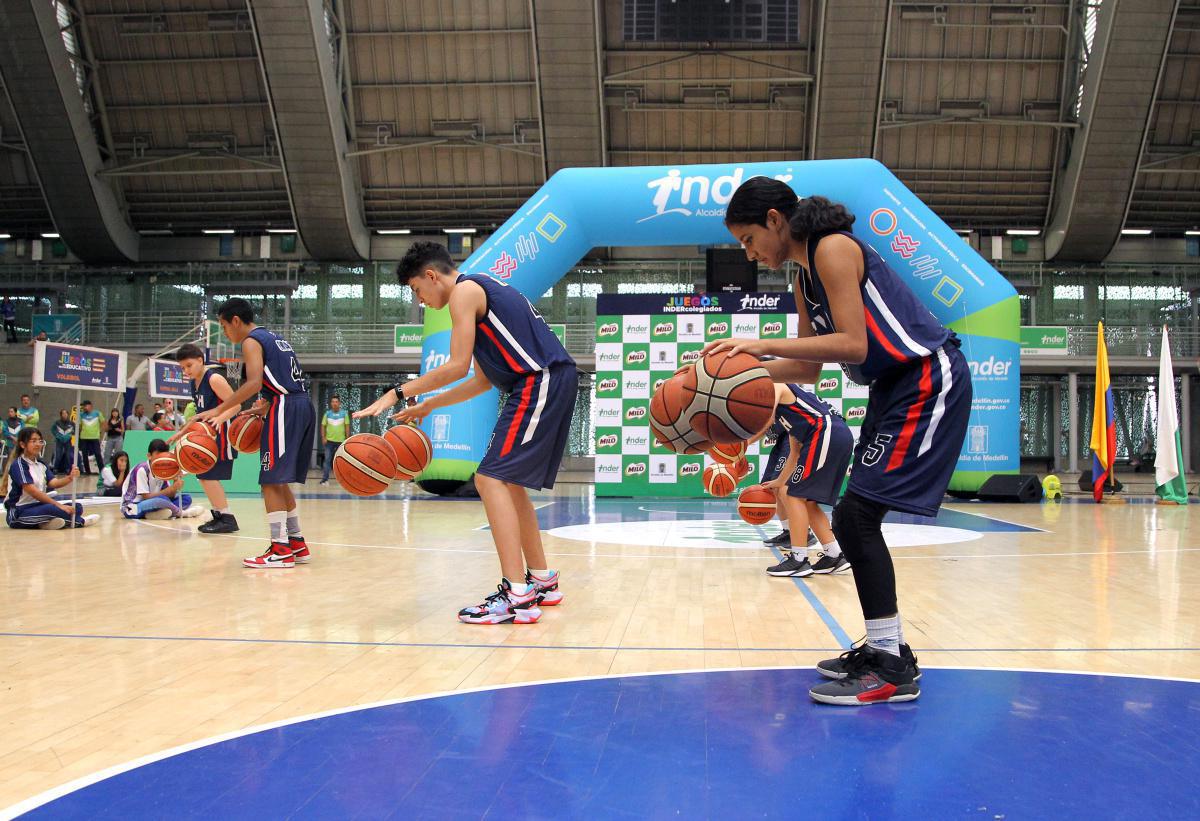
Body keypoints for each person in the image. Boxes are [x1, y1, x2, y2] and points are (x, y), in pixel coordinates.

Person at [714, 182, 972, 705]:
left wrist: (760, 342)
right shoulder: (802, 279)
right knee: (856, 518)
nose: (748, 253)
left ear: (774, 219)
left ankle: (890, 665)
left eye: (747, 239)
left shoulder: (832, 248)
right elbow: (808, 366)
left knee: (855, 518)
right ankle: (888, 651)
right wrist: (728, 375)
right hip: (892, 388)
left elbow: (853, 343)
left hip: (927, 378)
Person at [355, 242, 577, 624]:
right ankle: (541, 580)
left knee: (489, 479)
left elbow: (455, 366)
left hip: (539, 380)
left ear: (431, 276)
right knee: (508, 483)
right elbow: (481, 379)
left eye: (416, 291)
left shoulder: (464, 292)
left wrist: (399, 392)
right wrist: (429, 405)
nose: (420, 300)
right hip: (544, 380)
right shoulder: (480, 295)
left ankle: (516, 596)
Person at [192, 298, 315, 568]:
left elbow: (254, 382)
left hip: (285, 407)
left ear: (236, 320)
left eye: (224, 326)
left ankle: (280, 549)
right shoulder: (276, 338)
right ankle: (296, 543)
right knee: (279, 480)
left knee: (270, 480)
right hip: (299, 405)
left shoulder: (251, 340)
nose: (225, 333)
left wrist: (220, 408)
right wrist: (264, 407)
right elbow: (284, 381)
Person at [755, 383, 853, 577]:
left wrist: (740, 442)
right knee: (805, 500)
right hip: (835, 434)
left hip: (826, 432)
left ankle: (799, 560)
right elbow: (795, 453)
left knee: (792, 496)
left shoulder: (777, 386)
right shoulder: (794, 414)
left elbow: (766, 418)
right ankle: (834, 555)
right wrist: (779, 480)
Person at [169, 343, 240, 534]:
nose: (186, 371)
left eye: (189, 366)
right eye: (182, 368)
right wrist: (182, 432)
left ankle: (226, 518)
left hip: (222, 434)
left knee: (208, 476)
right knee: (203, 476)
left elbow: (236, 405)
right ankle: (220, 515)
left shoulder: (214, 378)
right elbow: (198, 416)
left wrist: (218, 419)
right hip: (206, 434)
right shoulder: (194, 382)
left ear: (200, 360)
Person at [2, 427, 98, 529]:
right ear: (22, 444)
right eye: (33, 441)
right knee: (53, 509)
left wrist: (70, 477)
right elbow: (33, 492)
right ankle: (80, 521)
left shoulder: (41, 465)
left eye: (40, 441)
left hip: (37, 506)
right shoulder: (19, 465)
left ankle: (44, 523)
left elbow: (54, 483)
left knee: (76, 507)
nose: (38, 444)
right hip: (19, 511)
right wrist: (59, 506)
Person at [121, 439, 204, 520]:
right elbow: (146, 497)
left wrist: (175, 482)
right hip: (132, 508)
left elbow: (170, 495)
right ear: (149, 456)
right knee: (162, 499)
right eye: (158, 454)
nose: (161, 458)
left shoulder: (163, 469)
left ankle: (152, 515)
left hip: (153, 503)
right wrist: (170, 489)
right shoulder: (142, 469)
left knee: (186, 498)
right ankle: (182, 513)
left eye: (164, 455)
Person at [319, 395, 348, 485]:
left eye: (336, 402)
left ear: (339, 403)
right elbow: (323, 426)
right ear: (331, 403)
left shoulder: (344, 414)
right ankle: (325, 479)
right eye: (333, 402)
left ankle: (344, 480)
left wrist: (347, 439)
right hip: (329, 442)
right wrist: (323, 437)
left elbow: (347, 427)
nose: (334, 403)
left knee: (342, 461)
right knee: (327, 460)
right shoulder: (327, 414)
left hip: (341, 441)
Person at [76, 400, 103, 475]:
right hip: (84, 437)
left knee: (97, 453)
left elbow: (103, 423)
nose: (84, 407)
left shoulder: (97, 413)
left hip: (94, 437)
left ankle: (102, 470)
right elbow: (80, 426)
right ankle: (87, 471)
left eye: (85, 406)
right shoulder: (81, 415)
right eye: (83, 406)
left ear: (90, 406)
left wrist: (100, 432)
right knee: (84, 454)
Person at [51, 410, 75, 474]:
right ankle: (55, 469)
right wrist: (57, 435)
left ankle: (67, 469)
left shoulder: (71, 423)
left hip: (68, 441)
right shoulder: (57, 422)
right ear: (61, 415)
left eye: (65, 413)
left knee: (68, 455)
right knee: (58, 455)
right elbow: (53, 430)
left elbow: (75, 431)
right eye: (63, 413)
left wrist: (70, 434)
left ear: (68, 414)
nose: (64, 415)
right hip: (59, 441)